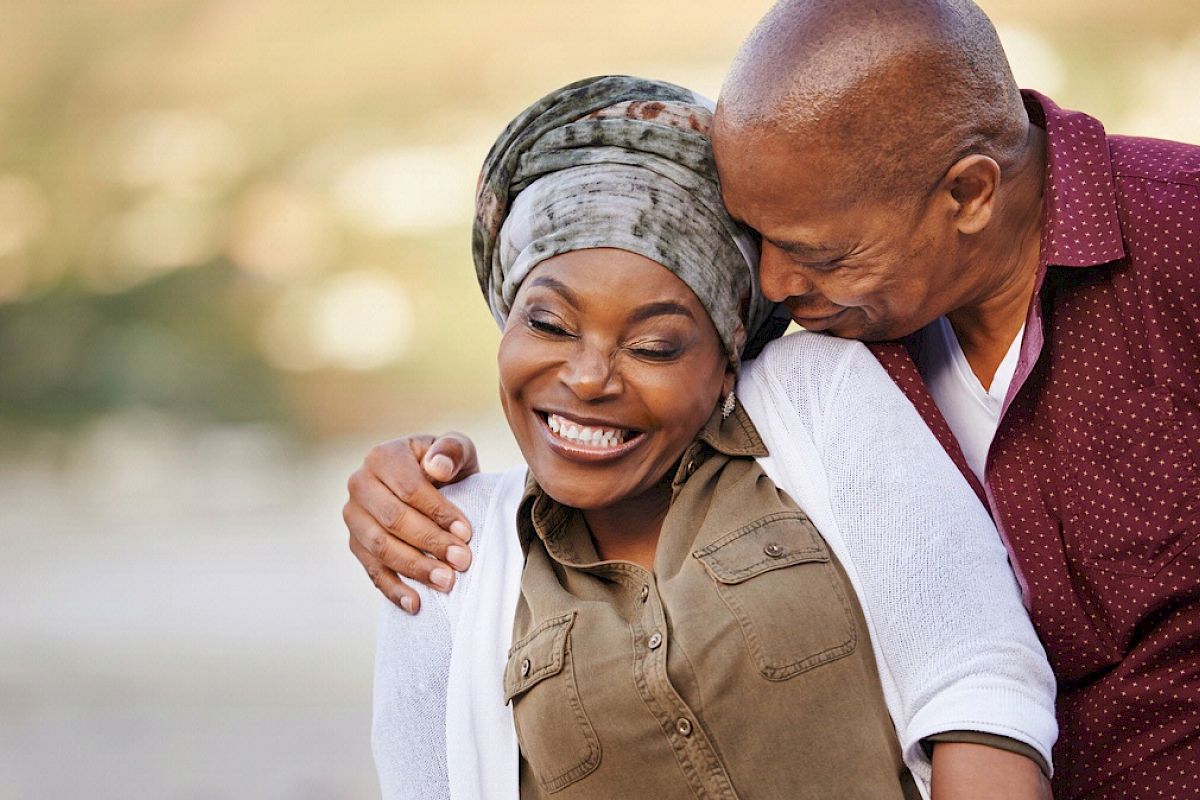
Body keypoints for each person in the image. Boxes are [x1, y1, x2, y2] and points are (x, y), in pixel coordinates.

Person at [349, 2, 1199, 798]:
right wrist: (411, 482)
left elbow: (977, 676)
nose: (778, 289)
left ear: (969, 195)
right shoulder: (848, 338)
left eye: (814, 251)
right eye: (759, 241)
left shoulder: (1179, 238)